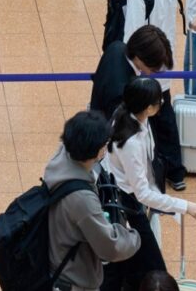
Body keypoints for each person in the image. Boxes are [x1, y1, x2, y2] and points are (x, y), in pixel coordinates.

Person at [101, 77, 196, 291]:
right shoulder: (131, 142)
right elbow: (142, 193)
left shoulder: (127, 116)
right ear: (148, 107)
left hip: (125, 201)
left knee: (124, 267)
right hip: (127, 207)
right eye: (159, 101)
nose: (162, 104)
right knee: (153, 267)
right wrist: (184, 207)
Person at [46, 110, 141, 291]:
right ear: (97, 150)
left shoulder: (60, 158)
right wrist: (132, 236)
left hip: (56, 264)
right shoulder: (82, 199)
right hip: (74, 282)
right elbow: (110, 247)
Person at [124, 0, 185, 191]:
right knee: (164, 115)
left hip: (144, 67)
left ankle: (140, 172)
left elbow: (133, 35)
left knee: (139, 121)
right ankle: (176, 172)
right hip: (165, 61)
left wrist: (131, 68)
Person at [90, 24, 174, 120]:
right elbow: (118, 129)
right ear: (140, 57)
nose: (154, 73)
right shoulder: (123, 90)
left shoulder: (116, 46)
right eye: (153, 68)